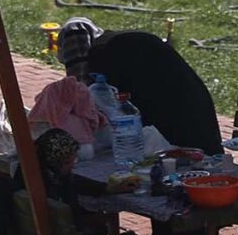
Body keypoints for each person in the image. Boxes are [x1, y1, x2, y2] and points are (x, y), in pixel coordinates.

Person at [55, 15, 222, 155]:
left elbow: (81, 91)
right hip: (188, 101)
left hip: (172, 109)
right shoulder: (117, 46)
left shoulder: (88, 42)